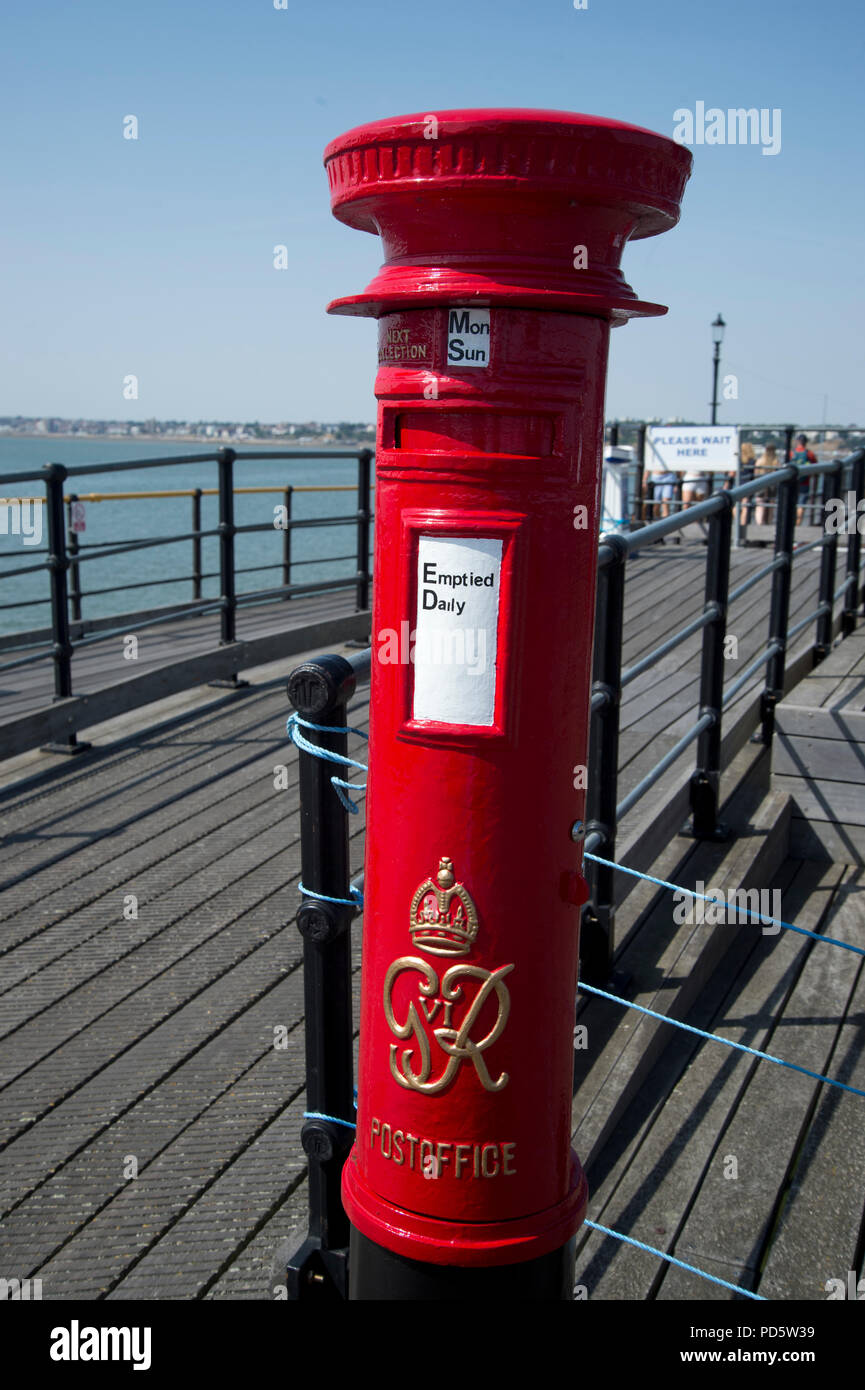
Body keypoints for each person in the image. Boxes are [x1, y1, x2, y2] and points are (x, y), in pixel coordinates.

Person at [791, 432, 818, 524]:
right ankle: (798, 523)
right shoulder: (809, 454)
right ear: (806, 442)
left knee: (791, 503)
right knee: (801, 504)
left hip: (792, 482)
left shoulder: (791, 453)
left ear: (797, 441)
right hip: (805, 482)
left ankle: (791, 521)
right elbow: (816, 467)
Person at [754, 443, 781, 527]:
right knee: (770, 507)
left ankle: (759, 524)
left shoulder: (760, 460)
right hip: (772, 486)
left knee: (760, 506)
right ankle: (768, 523)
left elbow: (755, 473)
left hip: (761, 485)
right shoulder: (776, 461)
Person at [738, 441, 756, 526]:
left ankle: (737, 521)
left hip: (739, 484)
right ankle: (743, 524)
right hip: (748, 485)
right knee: (745, 506)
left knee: (736, 505)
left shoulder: (739, 461)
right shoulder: (752, 461)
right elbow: (755, 474)